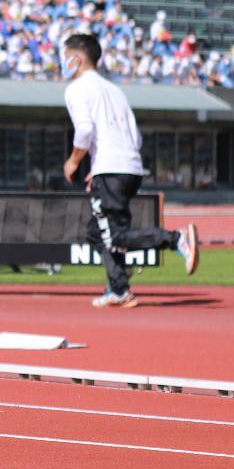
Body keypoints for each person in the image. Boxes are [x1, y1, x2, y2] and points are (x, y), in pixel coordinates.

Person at [62, 31, 200, 308]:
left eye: (64, 57)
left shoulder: (77, 89)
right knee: (98, 231)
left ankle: (176, 239)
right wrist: (100, 167)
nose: (62, 62)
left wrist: (74, 160)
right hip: (128, 167)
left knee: (114, 235)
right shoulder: (114, 90)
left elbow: (85, 129)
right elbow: (135, 136)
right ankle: (119, 289)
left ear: (76, 59)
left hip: (112, 168)